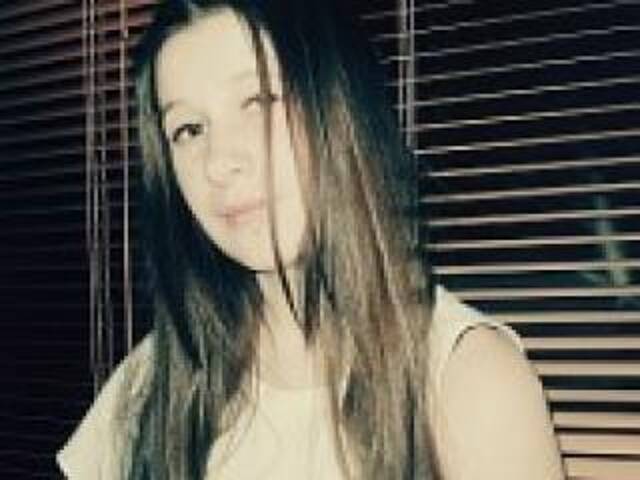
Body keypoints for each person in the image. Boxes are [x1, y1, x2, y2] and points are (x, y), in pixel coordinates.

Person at [57, 0, 566, 478]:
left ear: (341, 110)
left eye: (258, 101)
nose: (219, 162)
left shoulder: (468, 383)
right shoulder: (152, 383)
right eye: (189, 129)